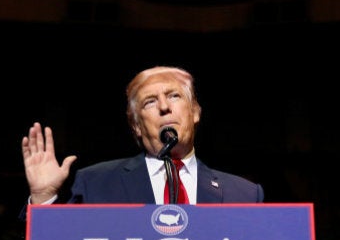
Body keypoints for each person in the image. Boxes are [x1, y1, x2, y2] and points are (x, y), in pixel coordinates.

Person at [20, 66, 264, 209]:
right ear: (136, 126)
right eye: (150, 102)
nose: (164, 107)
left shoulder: (243, 194)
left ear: (195, 112)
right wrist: (43, 198)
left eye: (174, 96)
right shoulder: (94, 184)